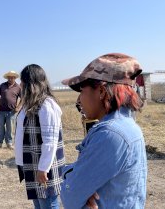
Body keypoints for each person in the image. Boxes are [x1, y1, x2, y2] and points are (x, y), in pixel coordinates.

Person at [60, 53, 147, 209]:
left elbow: (70, 197)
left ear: (101, 92)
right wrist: (76, 178)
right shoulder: (125, 126)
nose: (79, 100)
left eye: (82, 91)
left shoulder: (110, 134)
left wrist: (72, 180)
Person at [15, 64, 65, 209]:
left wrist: (43, 168)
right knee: (39, 203)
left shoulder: (47, 105)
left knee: (47, 203)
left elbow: (50, 141)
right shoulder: (29, 104)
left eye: (23, 80)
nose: (20, 84)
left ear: (31, 83)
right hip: (33, 163)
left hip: (43, 166)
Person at [0, 71, 22, 149]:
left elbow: (23, 98)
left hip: (12, 112)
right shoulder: (2, 85)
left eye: (12, 77)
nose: (10, 78)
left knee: (10, 128)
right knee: (0, 127)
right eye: (9, 77)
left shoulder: (18, 87)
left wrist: (18, 107)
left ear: (15, 78)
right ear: (7, 78)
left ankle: (9, 143)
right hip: (1, 111)